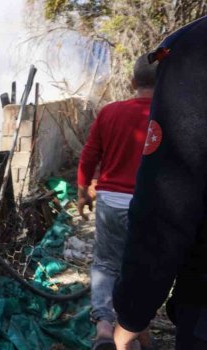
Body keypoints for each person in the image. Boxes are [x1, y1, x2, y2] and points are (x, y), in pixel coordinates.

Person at [113, 17, 207, 350]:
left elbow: (168, 204)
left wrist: (133, 312)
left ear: (131, 80)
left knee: (104, 260)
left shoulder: (195, 50)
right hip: (125, 199)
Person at [77, 54, 157, 350]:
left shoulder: (110, 112)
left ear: (133, 82)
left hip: (111, 200)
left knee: (106, 264)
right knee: (144, 266)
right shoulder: (173, 115)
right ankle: (137, 329)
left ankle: (104, 328)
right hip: (152, 205)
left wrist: (83, 192)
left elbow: (89, 155)